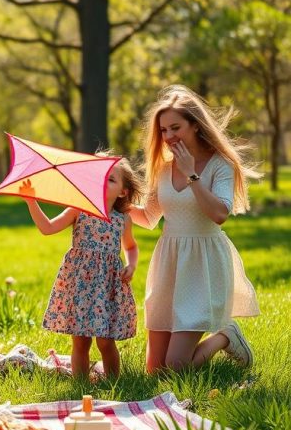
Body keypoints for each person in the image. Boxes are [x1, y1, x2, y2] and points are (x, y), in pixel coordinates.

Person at [129, 84, 259, 373]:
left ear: (196, 126)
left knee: (176, 368)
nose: (169, 136)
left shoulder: (219, 165)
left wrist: (191, 173)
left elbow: (219, 214)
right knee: (155, 371)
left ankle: (226, 336)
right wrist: (114, 204)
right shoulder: (162, 168)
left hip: (202, 264)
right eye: (163, 130)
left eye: (175, 127)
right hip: (169, 262)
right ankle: (221, 337)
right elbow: (149, 217)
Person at [24, 157, 141, 379]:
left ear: (123, 192)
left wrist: (131, 264)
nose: (103, 180)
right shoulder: (78, 210)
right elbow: (47, 228)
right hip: (80, 282)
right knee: (80, 339)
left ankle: (114, 383)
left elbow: (132, 246)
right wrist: (32, 201)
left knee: (106, 340)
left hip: (107, 285)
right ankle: (81, 385)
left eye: (111, 179)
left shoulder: (122, 220)